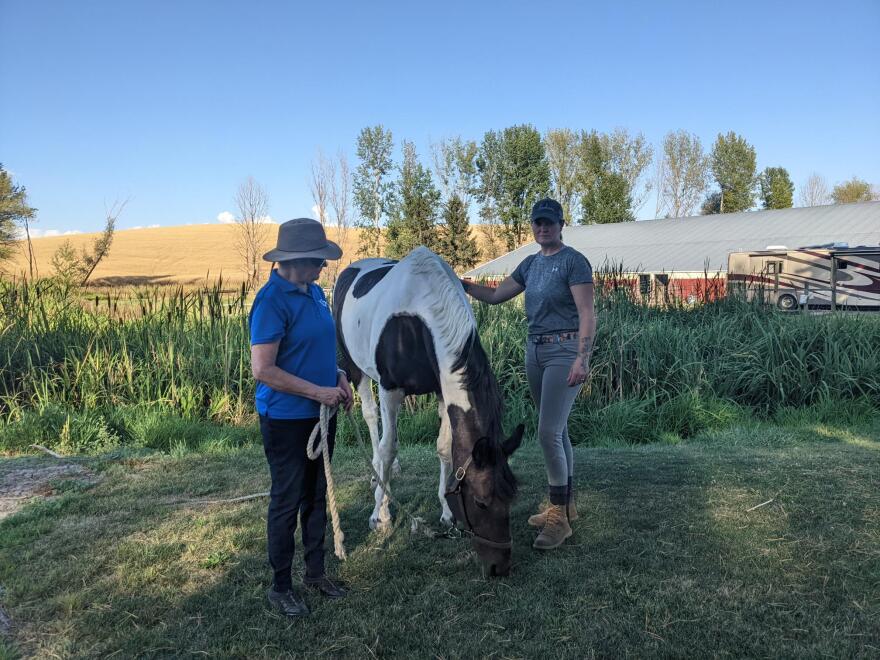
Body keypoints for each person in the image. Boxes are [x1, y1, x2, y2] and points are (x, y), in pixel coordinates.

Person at [462, 198, 596, 550]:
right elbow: (493, 296)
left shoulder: (573, 262)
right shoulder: (530, 264)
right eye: (538, 223)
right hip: (534, 351)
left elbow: (586, 313)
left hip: (565, 351)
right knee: (559, 429)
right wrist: (460, 284)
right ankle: (566, 505)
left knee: (548, 432)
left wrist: (581, 359)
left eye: (549, 223)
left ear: (561, 225)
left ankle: (558, 519)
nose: (543, 228)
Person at [249, 217, 354, 618]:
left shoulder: (314, 293)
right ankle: (280, 586)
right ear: (296, 260)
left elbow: (317, 349)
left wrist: (338, 376)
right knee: (287, 500)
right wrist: (317, 391)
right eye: (318, 261)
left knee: (315, 496)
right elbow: (264, 369)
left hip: (321, 411)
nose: (323, 267)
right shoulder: (271, 301)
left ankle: (315, 572)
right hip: (288, 418)